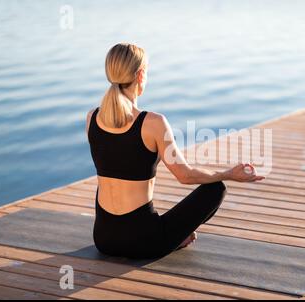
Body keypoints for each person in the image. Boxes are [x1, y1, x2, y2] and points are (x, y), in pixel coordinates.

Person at [86, 43, 265, 259]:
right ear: (141, 75)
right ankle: (174, 240)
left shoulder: (92, 118)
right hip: (144, 242)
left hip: (103, 239)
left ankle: (171, 237)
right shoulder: (153, 122)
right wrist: (228, 174)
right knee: (215, 189)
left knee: (110, 172)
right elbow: (185, 175)